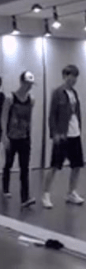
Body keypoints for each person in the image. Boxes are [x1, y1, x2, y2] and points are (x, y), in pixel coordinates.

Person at [43, 65, 85, 208]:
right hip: (62, 134)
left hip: (75, 133)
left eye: (75, 77)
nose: (73, 80)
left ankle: (71, 192)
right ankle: (46, 194)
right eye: (71, 76)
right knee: (55, 165)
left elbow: (76, 113)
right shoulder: (58, 92)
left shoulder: (74, 93)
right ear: (65, 76)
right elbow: (52, 115)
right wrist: (54, 133)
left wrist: (79, 128)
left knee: (77, 165)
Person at [1, 71, 36, 208]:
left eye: (31, 84)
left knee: (24, 167)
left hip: (24, 137)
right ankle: (5, 188)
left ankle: (25, 197)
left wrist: (29, 134)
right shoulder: (10, 98)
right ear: (21, 82)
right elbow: (4, 118)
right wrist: (4, 136)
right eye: (27, 83)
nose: (29, 86)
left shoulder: (31, 100)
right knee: (8, 163)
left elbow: (30, 118)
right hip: (12, 137)